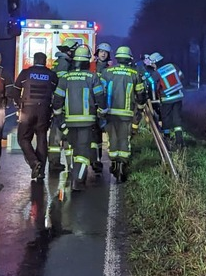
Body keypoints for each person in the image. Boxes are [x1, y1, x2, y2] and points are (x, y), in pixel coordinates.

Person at [51, 45, 105, 191]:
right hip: (87, 122)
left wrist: (59, 119)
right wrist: (102, 111)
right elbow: (100, 97)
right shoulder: (92, 77)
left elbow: (57, 101)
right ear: (87, 61)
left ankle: (76, 175)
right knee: (83, 154)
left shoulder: (65, 78)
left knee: (75, 150)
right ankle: (78, 181)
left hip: (69, 121)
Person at [100, 46, 146, 181]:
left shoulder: (106, 72)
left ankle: (114, 163)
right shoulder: (134, 74)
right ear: (129, 58)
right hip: (126, 114)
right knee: (124, 140)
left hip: (109, 113)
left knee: (112, 139)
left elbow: (99, 93)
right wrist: (140, 107)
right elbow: (141, 94)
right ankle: (122, 167)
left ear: (117, 58)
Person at [13, 52, 58, 181]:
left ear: (34, 60)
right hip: (44, 110)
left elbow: (15, 90)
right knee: (42, 138)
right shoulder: (51, 75)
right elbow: (57, 93)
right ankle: (41, 171)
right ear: (45, 61)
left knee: (23, 138)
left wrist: (20, 104)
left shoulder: (26, 73)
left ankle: (34, 163)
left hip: (27, 109)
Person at [47, 40, 80, 170]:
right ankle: (56, 164)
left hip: (58, 102)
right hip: (61, 104)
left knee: (61, 135)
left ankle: (58, 163)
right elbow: (64, 85)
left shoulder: (60, 62)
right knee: (58, 135)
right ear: (69, 50)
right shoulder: (64, 64)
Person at [144, 52, 185, 151]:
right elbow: (182, 76)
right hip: (178, 96)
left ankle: (167, 139)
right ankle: (180, 141)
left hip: (167, 99)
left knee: (166, 119)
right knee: (177, 119)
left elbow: (149, 81)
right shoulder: (173, 66)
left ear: (156, 62)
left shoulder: (157, 72)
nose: (152, 66)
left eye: (152, 64)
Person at [91, 43, 113, 173]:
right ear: (97, 53)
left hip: (104, 104)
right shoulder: (91, 67)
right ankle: (92, 159)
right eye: (101, 52)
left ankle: (97, 159)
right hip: (90, 103)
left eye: (105, 52)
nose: (103, 54)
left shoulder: (109, 70)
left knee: (99, 133)